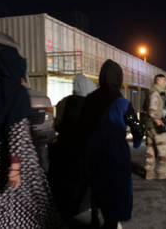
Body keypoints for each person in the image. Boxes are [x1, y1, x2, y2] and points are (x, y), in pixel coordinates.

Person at [0, 48, 61, 228]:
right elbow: (16, 132)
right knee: (30, 207)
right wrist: (15, 167)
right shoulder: (18, 92)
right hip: (20, 160)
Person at [80, 59, 144, 229]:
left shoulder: (89, 99)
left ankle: (95, 215)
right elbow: (136, 126)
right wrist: (137, 141)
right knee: (115, 189)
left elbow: (82, 126)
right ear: (118, 78)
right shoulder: (122, 102)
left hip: (92, 150)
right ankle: (111, 222)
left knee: (96, 184)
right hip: (115, 152)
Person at [49, 74, 97, 221]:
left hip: (63, 149)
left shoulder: (63, 102)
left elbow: (57, 124)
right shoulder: (91, 104)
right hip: (82, 151)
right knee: (81, 189)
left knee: (63, 187)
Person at [142, 74, 166, 180]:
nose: (165, 83)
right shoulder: (155, 94)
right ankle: (163, 172)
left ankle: (149, 173)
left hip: (149, 126)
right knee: (164, 149)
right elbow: (152, 111)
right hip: (155, 126)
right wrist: (158, 122)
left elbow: (144, 108)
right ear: (159, 81)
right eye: (164, 81)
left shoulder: (150, 92)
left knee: (150, 150)